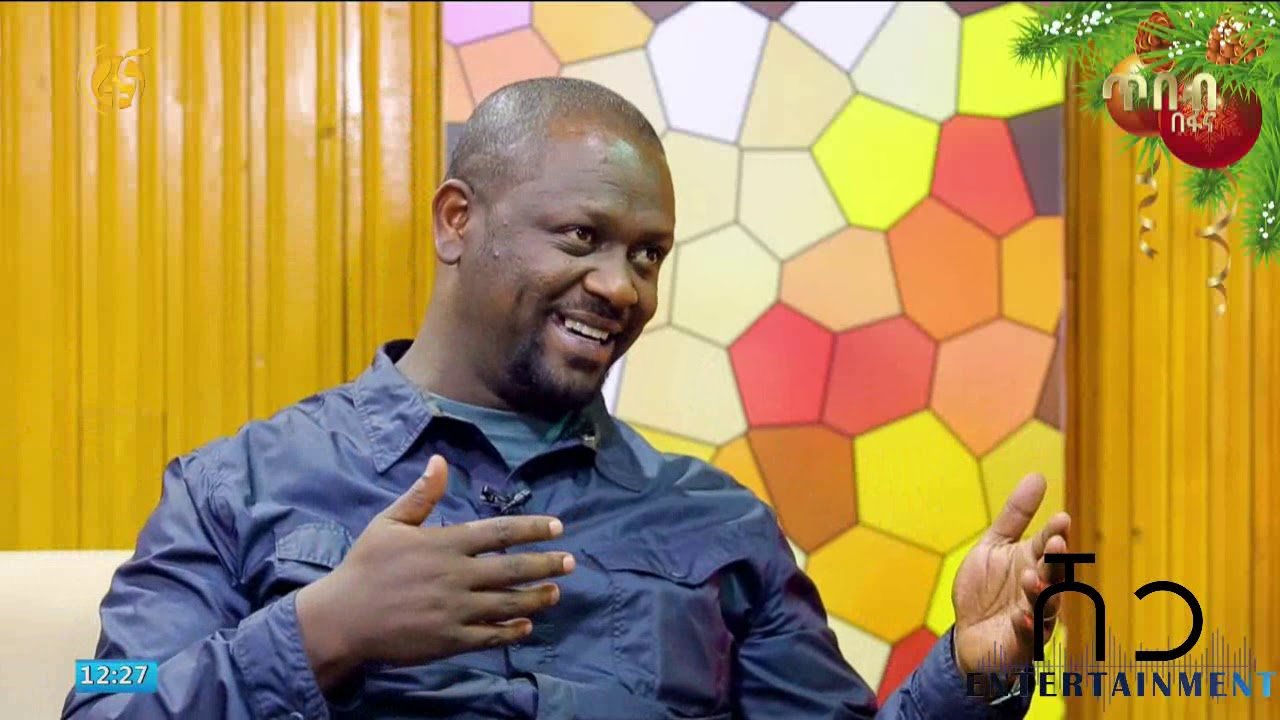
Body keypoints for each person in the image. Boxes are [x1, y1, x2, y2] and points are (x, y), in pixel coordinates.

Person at [63, 77, 1070, 720]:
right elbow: (109, 694)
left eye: (648, 255)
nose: (622, 287)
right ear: (457, 220)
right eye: (582, 238)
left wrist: (971, 670)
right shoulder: (232, 486)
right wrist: (323, 630)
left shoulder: (717, 526)